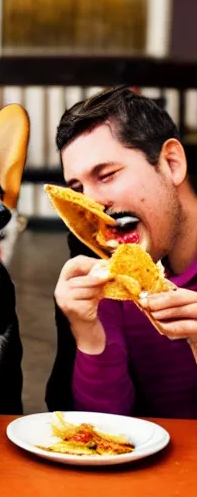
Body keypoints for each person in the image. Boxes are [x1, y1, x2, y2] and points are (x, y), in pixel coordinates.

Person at [45, 85, 197, 419]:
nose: (92, 204)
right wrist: (88, 335)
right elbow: (105, 430)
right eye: (78, 189)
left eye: (107, 175)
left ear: (171, 164)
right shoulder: (102, 269)